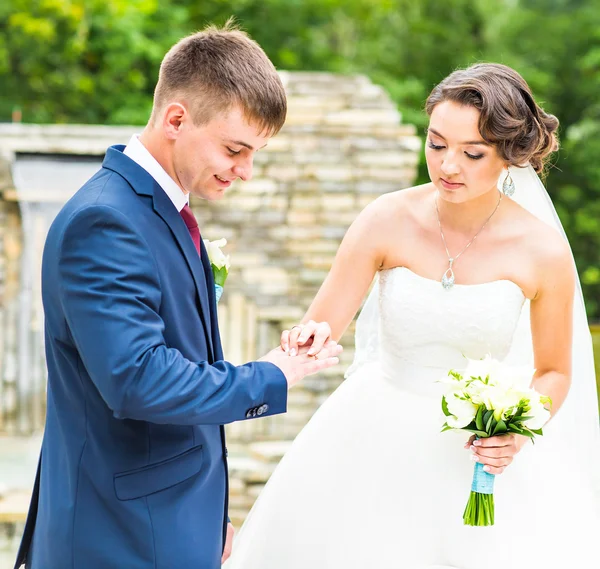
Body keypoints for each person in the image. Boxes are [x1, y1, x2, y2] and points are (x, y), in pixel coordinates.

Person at [224, 63, 600, 569]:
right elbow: (319, 327)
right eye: (436, 143)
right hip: (373, 438)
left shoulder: (542, 250)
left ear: (511, 157)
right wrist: (302, 341)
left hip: (476, 454)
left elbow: (554, 372)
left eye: (472, 153)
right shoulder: (386, 218)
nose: (448, 165)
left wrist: (516, 428)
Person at [14, 22, 342, 569]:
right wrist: (272, 374)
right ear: (176, 118)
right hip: (117, 536)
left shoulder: (162, 211)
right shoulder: (105, 221)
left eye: (255, 153)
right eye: (235, 149)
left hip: (165, 515)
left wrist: (206, 513)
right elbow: (138, 380)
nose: (245, 171)